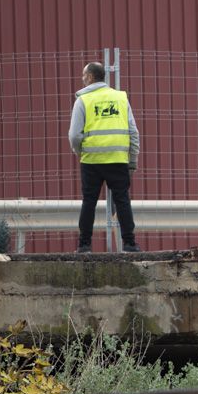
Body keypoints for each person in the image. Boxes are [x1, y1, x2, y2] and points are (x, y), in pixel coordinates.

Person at [67, 62, 142, 253]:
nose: (82, 79)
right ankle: (130, 243)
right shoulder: (120, 98)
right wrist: (132, 160)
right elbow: (133, 132)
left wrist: (79, 151)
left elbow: (74, 135)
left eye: (84, 76)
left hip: (91, 160)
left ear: (91, 77)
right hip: (118, 158)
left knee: (89, 201)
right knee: (122, 200)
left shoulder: (83, 100)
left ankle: (84, 245)